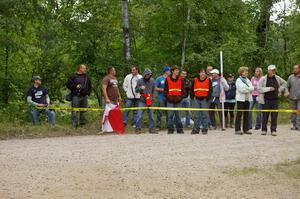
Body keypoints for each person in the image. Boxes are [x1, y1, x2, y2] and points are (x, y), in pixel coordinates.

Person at [258, 65, 287, 136]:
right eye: (272, 70)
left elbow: (285, 83)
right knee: (265, 115)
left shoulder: (277, 78)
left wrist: (279, 89)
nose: (273, 71)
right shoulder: (263, 79)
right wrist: (268, 89)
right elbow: (259, 89)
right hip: (266, 99)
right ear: (268, 71)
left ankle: (273, 130)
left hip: (275, 100)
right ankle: (264, 130)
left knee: (274, 115)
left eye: (274, 70)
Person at [66, 64, 92, 128]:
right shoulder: (73, 76)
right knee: (74, 110)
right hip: (76, 96)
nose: (85, 69)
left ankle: (82, 124)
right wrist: (76, 86)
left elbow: (90, 86)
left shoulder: (87, 77)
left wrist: (88, 93)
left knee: (83, 111)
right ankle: (74, 125)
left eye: (85, 68)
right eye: (84, 68)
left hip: (84, 96)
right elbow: (68, 85)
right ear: (80, 68)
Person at [164, 65, 185, 134]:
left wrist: (181, 97)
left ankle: (179, 129)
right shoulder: (167, 79)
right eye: (176, 70)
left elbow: (183, 90)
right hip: (170, 101)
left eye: (178, 70)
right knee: (170, 115)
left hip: (178, 100)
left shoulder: (181, 79)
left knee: (178, 115)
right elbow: (165, 90)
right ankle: (170, 129)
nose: (178, 71)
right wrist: (168, 98)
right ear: (172, 71)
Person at [190, 68, 212, 134]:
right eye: (201, 72)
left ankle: (205, 129)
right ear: (199, 73)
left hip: (205, 100)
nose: (202, 73)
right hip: (196, 99)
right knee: (196, 115)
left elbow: (210, 90)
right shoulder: (195, 80)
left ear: (205, 73)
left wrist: (208, 98)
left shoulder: (208, 80)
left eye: (204, 72)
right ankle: (196, 129)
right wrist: (192, 97)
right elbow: (191, 90)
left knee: (205, 115)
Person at [135, 68, 156, 134]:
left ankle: (151, 129)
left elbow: (154, 90)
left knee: (151, 116)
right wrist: (140, 88)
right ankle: (138, 129)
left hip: (150, 100)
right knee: (139, 115)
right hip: (142, 101)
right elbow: (136, 90)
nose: (148, 76)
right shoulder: (140, 81)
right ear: (144, 75)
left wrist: (152, 98)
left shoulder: (152, 80)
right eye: (147, 75)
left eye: (149, 75)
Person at [235, 67, 254, 135]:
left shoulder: (248, 80)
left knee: (246, 114)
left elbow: (252, 88)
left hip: (247, 99)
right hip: (240, 100)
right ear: (241, 72)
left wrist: (247, 88)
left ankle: (246, 129)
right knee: (239, 115)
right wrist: (248, 89)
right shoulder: (238, 80)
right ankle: (237, 129)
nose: (247, 73)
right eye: (245, 71)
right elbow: (241, 90)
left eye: (247, 71)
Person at [155, 66, 171, 130]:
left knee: (169, 112)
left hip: (169, 98)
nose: (170, 72)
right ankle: (158, 126)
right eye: (169, 71)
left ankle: (169, 126)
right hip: (161, 98)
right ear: (166, 71)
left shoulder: (171, 78)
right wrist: (162, 89)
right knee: (160, 112)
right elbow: (155, 88)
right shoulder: (159, 78)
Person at [285, 64, 300, 131]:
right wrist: (287, 91)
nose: (294, 70)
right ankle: (294, 125)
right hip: (292, 98)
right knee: (293, 112)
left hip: (299, 98)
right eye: (294, 68)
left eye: (296, 68)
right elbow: (286, 86)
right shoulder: (290, 77)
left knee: (299, 111)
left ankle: (298, 125)